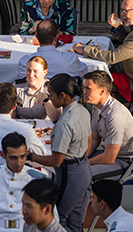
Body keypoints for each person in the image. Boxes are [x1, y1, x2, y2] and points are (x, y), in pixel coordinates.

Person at [28, 74, 91, 232]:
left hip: (69, 174)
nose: (49, 98)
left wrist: (30, 156)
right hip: (83, 168)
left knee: (57, 217)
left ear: (62, 95)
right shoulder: (82, 110)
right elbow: (89, 143)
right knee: (75, 221)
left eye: (51, 95)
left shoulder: (65, 122)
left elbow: (56, 161)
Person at [83, 70, 133, 181]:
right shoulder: (96, 106)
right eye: (84, 87)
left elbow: (109, 158)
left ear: (102, 91)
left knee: (81, 175)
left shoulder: (115, 116)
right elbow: (94, 140)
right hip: (108, 154)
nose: (84, 92)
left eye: (88, 89)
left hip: (123, 162)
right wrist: (82, 158)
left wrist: (84, 164)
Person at [17, 19, 87, 79]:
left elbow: (22, 84)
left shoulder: (25, 62)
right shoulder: (71, 58)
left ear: (36, 36)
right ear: (56, 37)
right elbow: (84, 73)